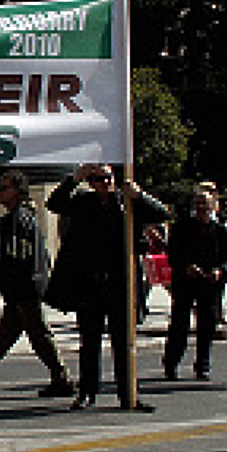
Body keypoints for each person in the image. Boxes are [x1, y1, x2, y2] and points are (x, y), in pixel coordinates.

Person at [45, 164, 170, 410]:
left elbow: (161, 214)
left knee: (123, 342)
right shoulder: (83, 202)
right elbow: (54, 204)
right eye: (97, 179)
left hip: (121, 281)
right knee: (89, 341)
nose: (104, 183)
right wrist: (73, 179)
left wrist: (139, 195)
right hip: (91, 281)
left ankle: (127, 394)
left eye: (107, 178)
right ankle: (87, 392)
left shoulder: (127, 203)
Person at [0, 170, 72, 397]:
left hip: (24, 287)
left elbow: (12, 259)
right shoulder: (24, 217)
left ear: (18, 192)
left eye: (5, 188)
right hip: (23, 286)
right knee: (5, 335)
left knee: (39, 335)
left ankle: (62, 378)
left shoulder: (17, 220)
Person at [161, 188, 227, 382]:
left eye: (205, 203)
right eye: (198, 203)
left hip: (210, 284)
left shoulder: (222, 230)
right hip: (185, 283)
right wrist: (186, 267)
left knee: (207, 326)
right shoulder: (181, 227)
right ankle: (171, 363)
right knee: (179, 324)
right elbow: (172, 254)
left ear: (213, 206)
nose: (201, 207)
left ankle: (202, 365)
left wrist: (219, 271)